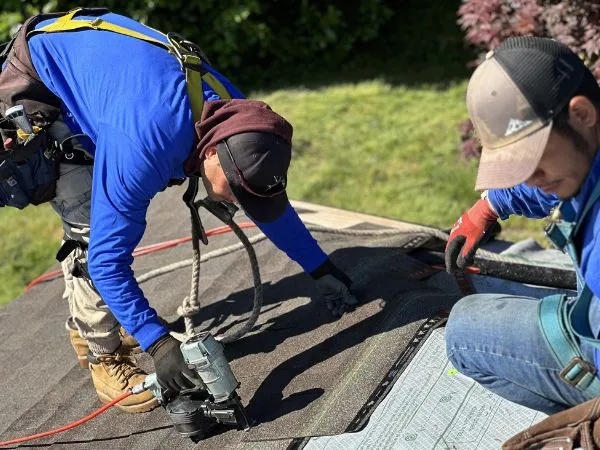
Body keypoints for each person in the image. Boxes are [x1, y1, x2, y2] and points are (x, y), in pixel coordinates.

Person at [0, 8, 357, 413]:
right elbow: (106, 262)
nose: (238, 205)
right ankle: (102, 354)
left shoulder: (235, 112)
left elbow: (260, 191)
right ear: (210, 153)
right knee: (90, 229)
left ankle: (119, 323)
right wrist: (159, 343)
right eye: (235, 194)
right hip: (40, 83)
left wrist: (319, 266)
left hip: (109, 79)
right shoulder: (143, 146)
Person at [444, 36, 600, 415]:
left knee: (463, 333)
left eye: (531, 159)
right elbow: (555, 188)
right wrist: (490, 205)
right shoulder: (584, 156)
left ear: (580, 114)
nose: (529, 178)